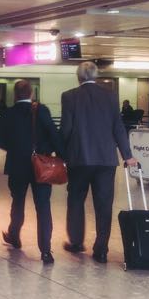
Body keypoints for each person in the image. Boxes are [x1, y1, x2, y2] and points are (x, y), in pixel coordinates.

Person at [60, 61, 137, 264]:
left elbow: (66, 129)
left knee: (76, 199)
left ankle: (76, 242)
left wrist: (59, 153)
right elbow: (118, 128)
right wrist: (127, 156)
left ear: (79, 77)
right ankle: (101, 249)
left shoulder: (69, 97)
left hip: (79, 159)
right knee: (104, 204)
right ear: (96, 76)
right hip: (105, 161)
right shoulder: (110, 96)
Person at [0, 80, 65, 264]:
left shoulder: (8, 113)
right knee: (43, 207)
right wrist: (59, 154)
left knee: (17, 202)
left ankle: (14, 236)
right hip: (41, 166)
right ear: (31, 94)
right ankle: (46, 251)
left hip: (17, 165)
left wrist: (16, 147)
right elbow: (54, 135)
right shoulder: (42, 110)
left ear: (15, 95)